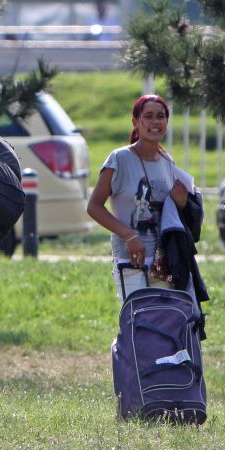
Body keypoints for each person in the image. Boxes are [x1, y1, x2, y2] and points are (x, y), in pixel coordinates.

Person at [87, 94, 193, 300]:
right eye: (149, 116)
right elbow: (94, 207)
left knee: (165, 325)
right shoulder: (119, 159)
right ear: (135, 122)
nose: (155, 122)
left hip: (165, 262)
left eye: (161, 116)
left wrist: (181, 202)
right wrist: (129, 235)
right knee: (139, 322)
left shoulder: (167, 161)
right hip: (131, 260)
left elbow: (172, 212)